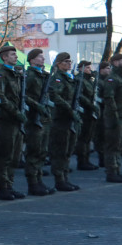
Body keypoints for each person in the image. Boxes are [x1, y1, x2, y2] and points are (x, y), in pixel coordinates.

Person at [0, 45, 26, 201]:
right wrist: (15, 111)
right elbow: (0, 97)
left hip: (17, 120)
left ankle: (10, 185)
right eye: (13, 54)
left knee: (15, 156)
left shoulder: (16, 75)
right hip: (6, 120)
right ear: (4, 57)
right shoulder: (1, 75)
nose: (15, 57)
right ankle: (2, 187)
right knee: (5, 155)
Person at [23, 48, 55, 196]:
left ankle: (39, 180)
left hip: (44, 118)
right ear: (32, 60)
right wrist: (37, 106)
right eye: (39, 57)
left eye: (43, 57)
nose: (43, 59)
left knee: (42, 152)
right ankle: (33, 183)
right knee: (34, 152)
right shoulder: (29, 75)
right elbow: (23, 95)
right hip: (34, 118)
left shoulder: (43, 76)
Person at [48, 52, 80, 191]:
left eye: (70, 61)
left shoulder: (69, 79)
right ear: (58, 64)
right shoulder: (58, 79)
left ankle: (65, 178)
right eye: (66, 61)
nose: (69, 63)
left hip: (69, 118)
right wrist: (70, 109)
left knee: (68, 150)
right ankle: (59, 179)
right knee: (60, 150)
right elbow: (56, 96)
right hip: (60, 118)